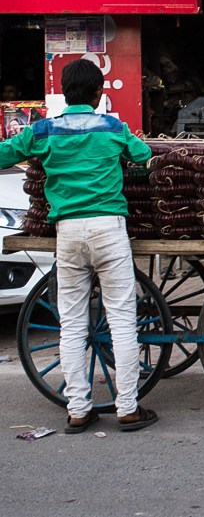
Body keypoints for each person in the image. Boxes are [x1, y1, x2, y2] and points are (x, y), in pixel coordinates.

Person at [0, 60, 157, 432]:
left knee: (71, 324)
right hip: (109, 228)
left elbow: (6, 153)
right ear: (98, 93)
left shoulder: (43, 130)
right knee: (121, 319)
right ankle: (128, 408)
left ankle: (78, 410)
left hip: (68, 233)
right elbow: (142, 155)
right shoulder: (113, 127)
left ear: (63, 93)